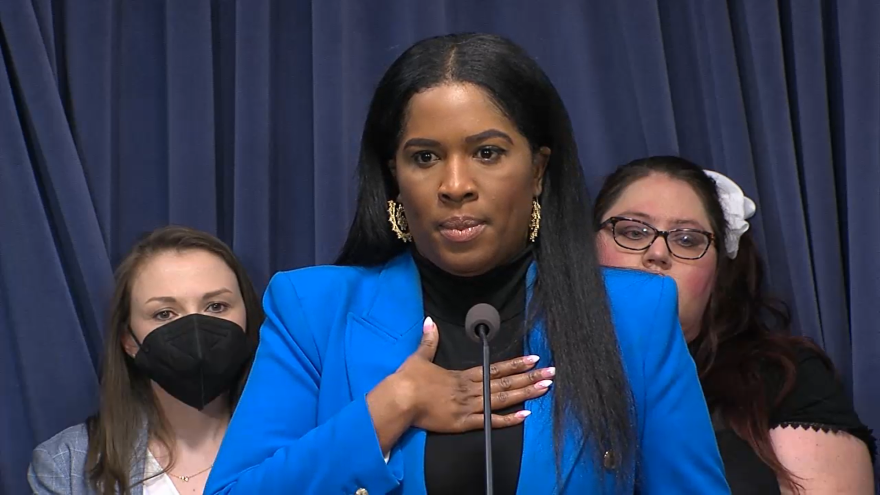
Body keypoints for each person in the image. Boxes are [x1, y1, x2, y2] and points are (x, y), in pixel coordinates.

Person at [205, 33, 730, 495]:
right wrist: (392, 406)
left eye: (487, 153)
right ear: (395, 178)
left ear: (539, 170)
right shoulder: (313, 311)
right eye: (425, 157)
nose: (455, 185)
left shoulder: (635, 315)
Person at [593, 155, 876, 494]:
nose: (657, 252)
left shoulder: (781, 378)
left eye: (687, 239)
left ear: (717, 272)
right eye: (632, 232)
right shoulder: (540, 374)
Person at [28, 226, 263, 495]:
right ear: (129, 341)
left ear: (248, 318)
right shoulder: (67, 464)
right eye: (164, 313)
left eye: (216, 306)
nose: (195, 329)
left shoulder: (300, 445)